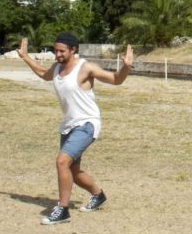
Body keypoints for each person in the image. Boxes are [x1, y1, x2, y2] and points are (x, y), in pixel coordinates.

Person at [16, 32, 133, 224]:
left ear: (73, 50)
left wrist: (126, 68)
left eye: (61, 51)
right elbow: (44, 74)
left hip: (87, 123)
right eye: (55, 50)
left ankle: (62, 210)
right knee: (73, 171)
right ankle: (98, 194)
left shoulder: (85, 68)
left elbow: (115, 79)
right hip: (69, 125)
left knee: (62, 162)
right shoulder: (56, 68)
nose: (57, 54)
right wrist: (25, 57)